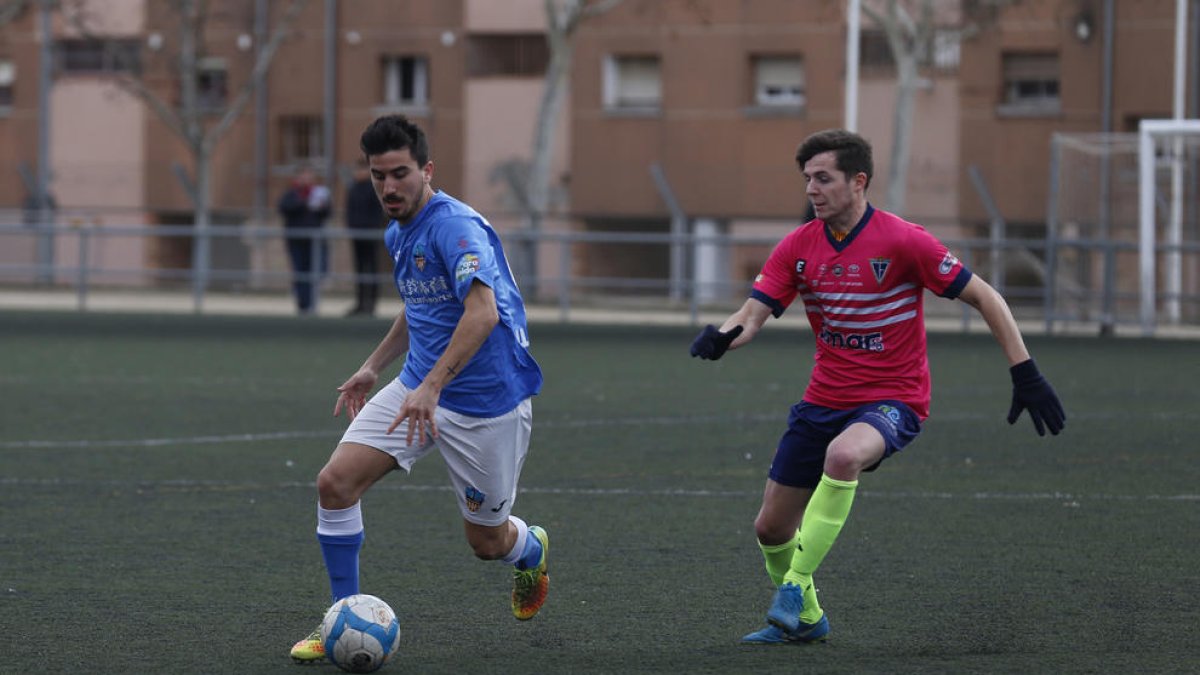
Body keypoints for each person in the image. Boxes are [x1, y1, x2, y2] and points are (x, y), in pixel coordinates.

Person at [690, 129, 1065, 645]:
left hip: (894, 399)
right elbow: (751, 315)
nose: (813, 190)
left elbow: (987, 297)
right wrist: (722, 338)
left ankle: (795, 588)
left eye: (824, 179)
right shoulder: (798, 248)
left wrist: (1025, 372)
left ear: (858, 181)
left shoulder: (905, 241)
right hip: (823, 400)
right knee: (770, 529)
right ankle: (808, 620)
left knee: (844, 457)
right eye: (807, 180)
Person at [290, 114, 548, 662]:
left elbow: (481, 315)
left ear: (427, 170)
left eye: (400, 173)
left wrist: (431, 387)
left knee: (487, 543)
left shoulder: (456, 228)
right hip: (417, 387)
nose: (389, 187)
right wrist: (374, 366)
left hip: (484, 404)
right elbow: (421, 306)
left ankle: (530, 551)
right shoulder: (398, 229)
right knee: (334, 485)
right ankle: (342, 615)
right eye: (378, 175)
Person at [279, 165, 332, 314]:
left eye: (309, 177)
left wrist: (321, 206)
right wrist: (304, 203)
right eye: (303, 177)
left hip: (314, 241)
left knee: (315, 271)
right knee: (299, 271)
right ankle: (302, 303)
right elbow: (284, 208)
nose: (306, 180)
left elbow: (327, 212)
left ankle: (311, 303)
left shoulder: (319, 193)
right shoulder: (291, 194)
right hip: (296, 240)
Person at [344, 158, 386, 316]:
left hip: (370, 234)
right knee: (360, 269)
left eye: (361, 170)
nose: (358, 173)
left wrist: (371, 227)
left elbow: (379, 212)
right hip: (356, 235)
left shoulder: (373, 189)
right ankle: (360, 302)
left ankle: (371, 303)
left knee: (372, 268)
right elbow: (349, 210)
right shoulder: (353, 188)